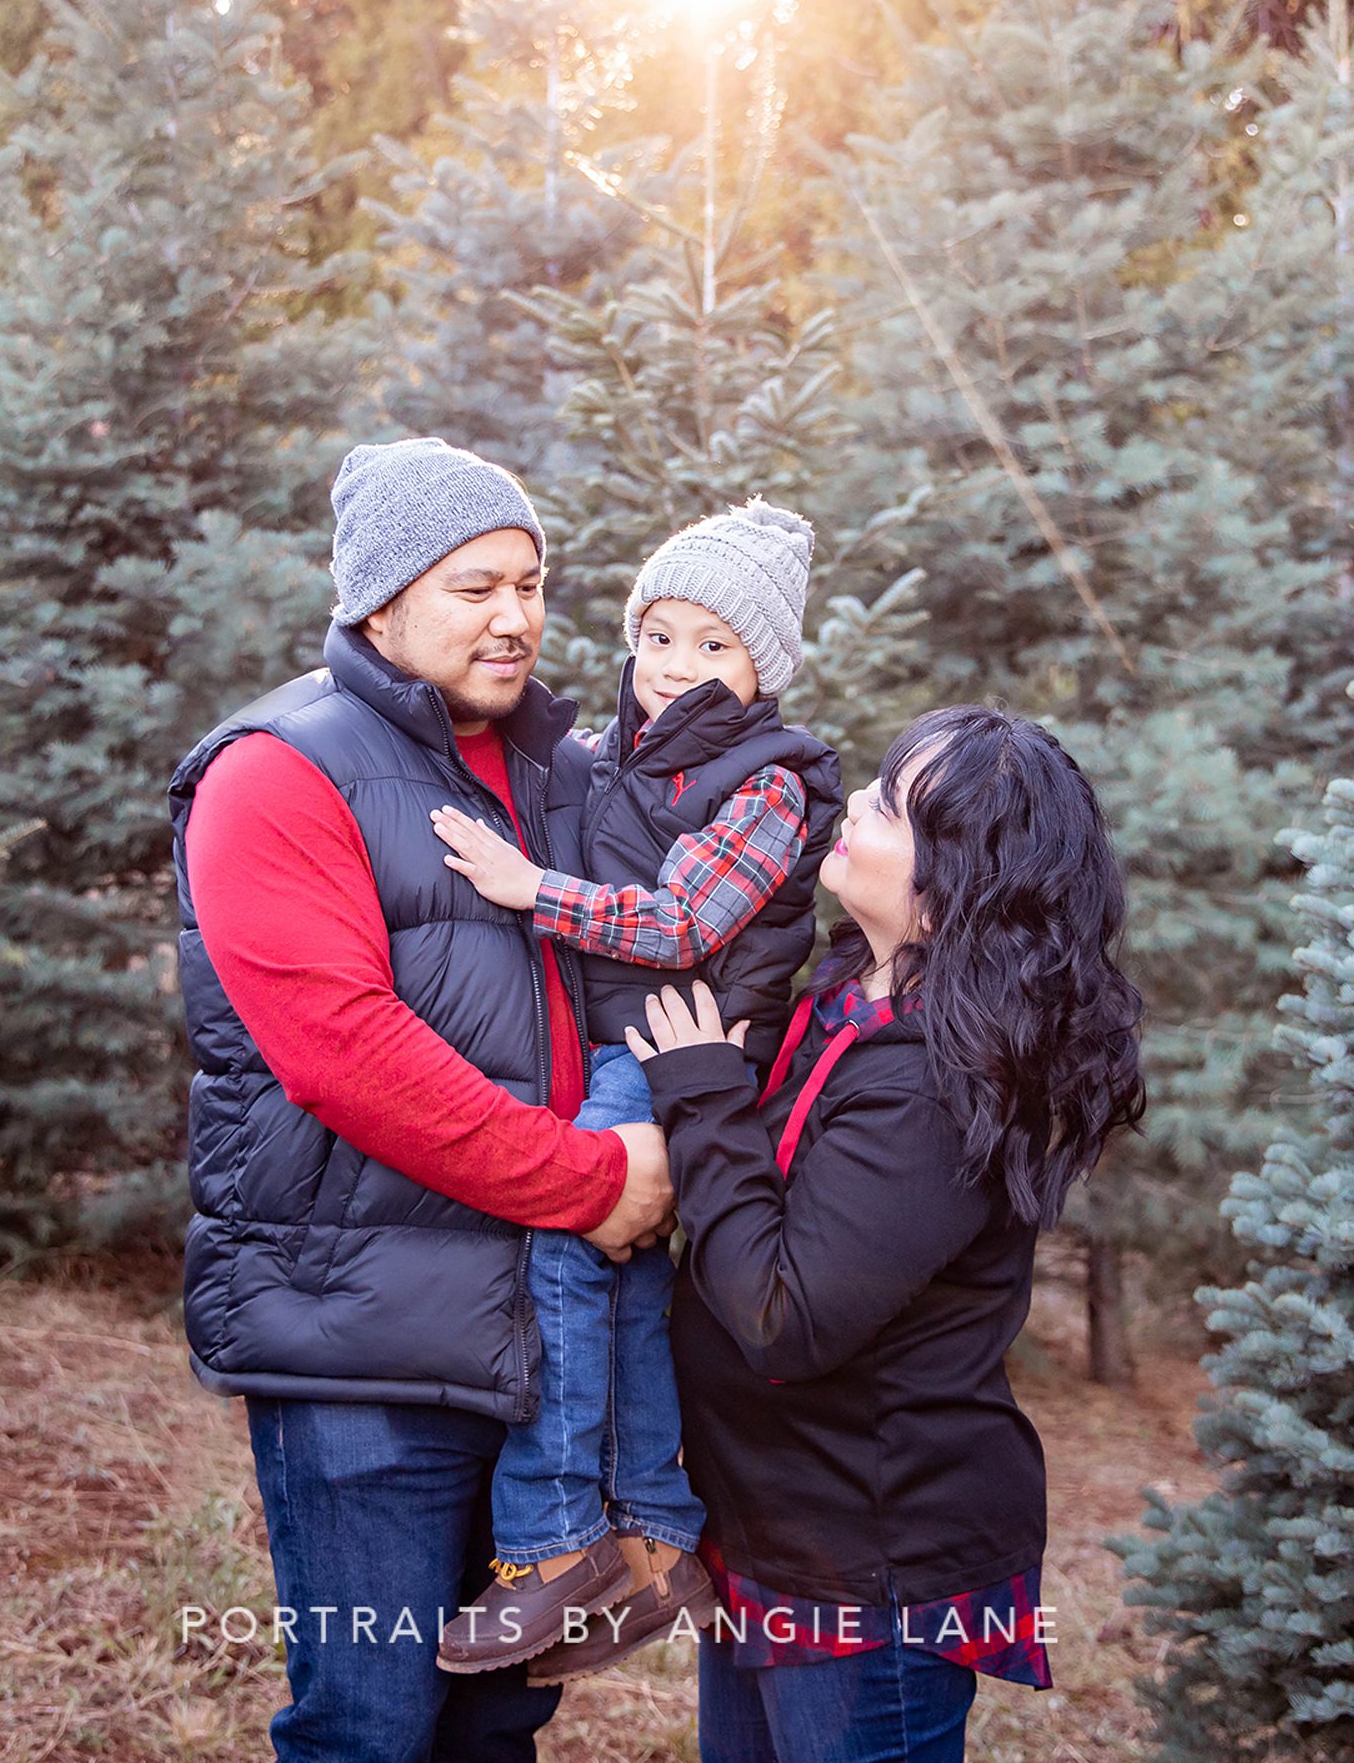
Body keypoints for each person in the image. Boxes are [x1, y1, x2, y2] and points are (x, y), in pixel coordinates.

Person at [167, 437, 676, 1763]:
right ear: (379, 604)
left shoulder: (567, 773)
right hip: (364, 1349)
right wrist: (592, 1184)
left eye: (531, 583)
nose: (514, 617)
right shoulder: (276, 771)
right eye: (474, 587)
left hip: (539, 1339)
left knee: (498, 1717)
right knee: (372, 1722)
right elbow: (342, 1050)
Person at [630, 705, 1147, 1763]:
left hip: (869, 1562)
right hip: (776, 1522)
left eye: (889, 805)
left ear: (950, 887)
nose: (854, 804)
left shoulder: (936, 1082)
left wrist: (703, 1096)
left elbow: (783, 1316)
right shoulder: (849, 999)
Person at [423, 501, 846, 1681]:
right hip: (621, 1040)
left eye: (713, 645)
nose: (674, 665)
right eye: (659, 635)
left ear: (763, 665)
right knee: (628, 1284)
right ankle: (657, 1542)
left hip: (672, 1043)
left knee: (567, 1241)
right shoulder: (620, 748)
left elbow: (681, 923)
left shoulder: (767, 781)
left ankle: (556, 1539)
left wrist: (528, 887)